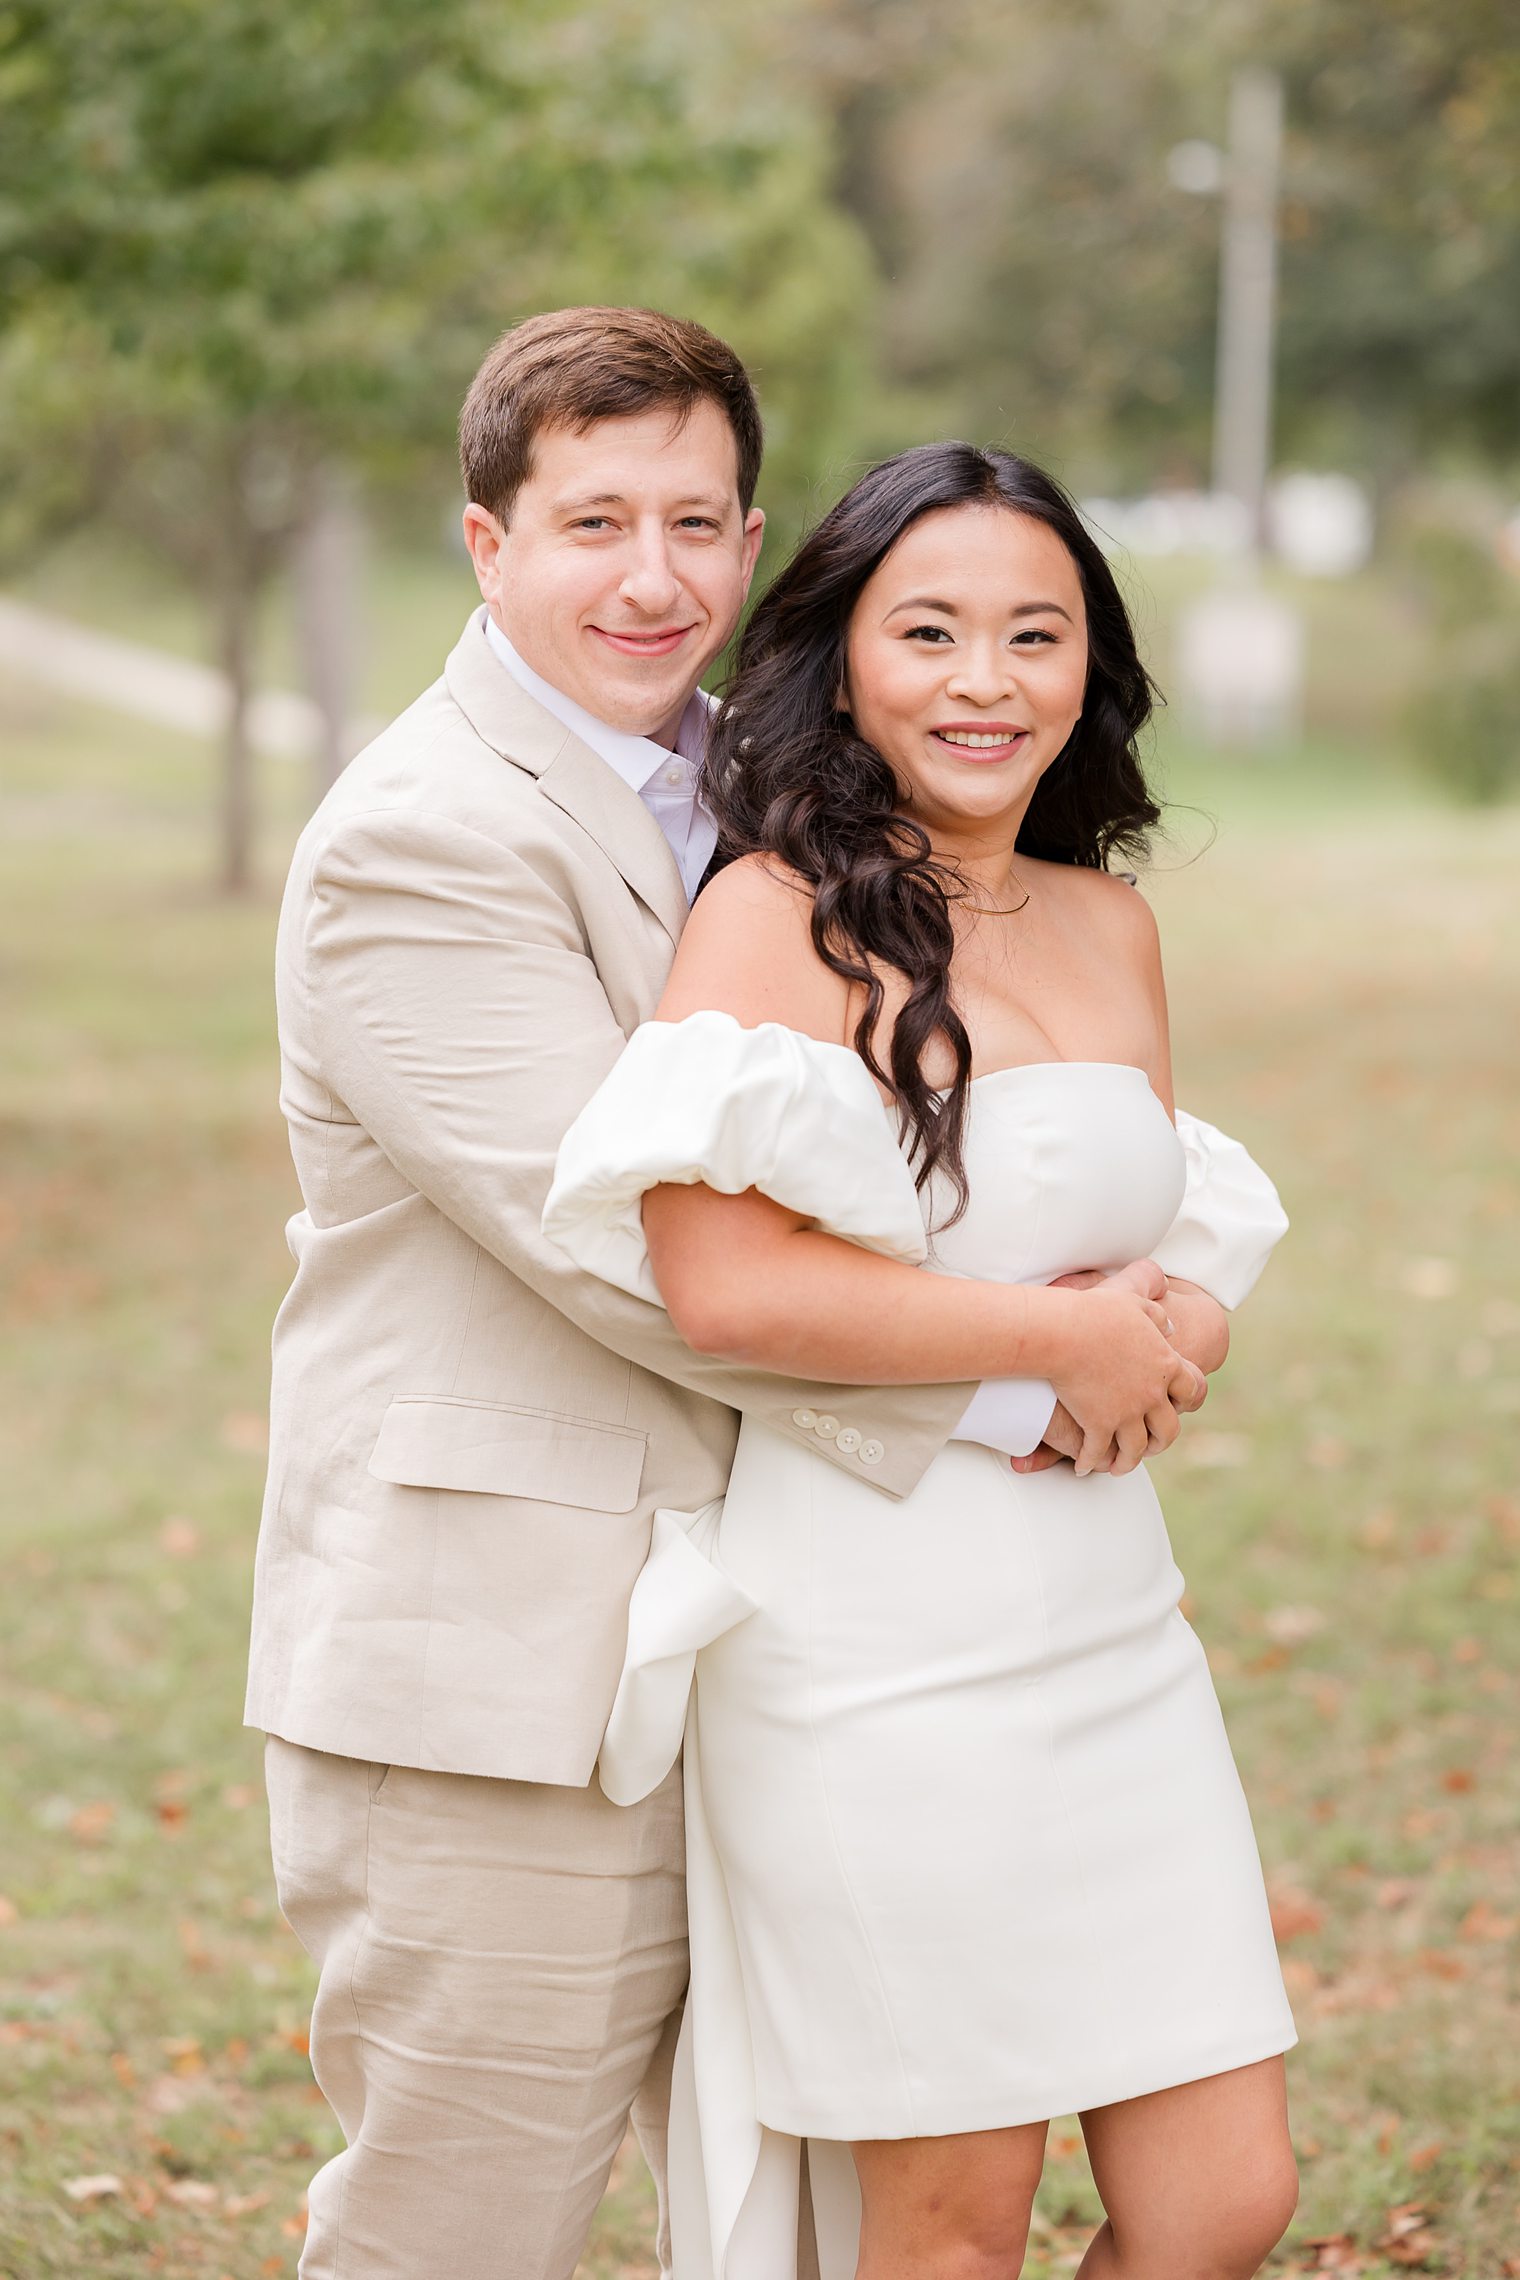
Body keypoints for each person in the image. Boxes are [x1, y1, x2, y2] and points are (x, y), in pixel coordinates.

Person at [543, 441, 1300, 2279]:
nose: (985, 682)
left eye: (1034, 636)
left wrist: (1173, 1327)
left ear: (1087, 672)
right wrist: (1054, 1340)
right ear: (844, 661)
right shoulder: (772, 915)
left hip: (1115, 1624)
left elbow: (1159, 1226)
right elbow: (719, 1280)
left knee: (1223, 2204)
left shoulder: (1110, 922)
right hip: (875, 1647)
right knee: (954, 2228)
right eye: (933, 633)